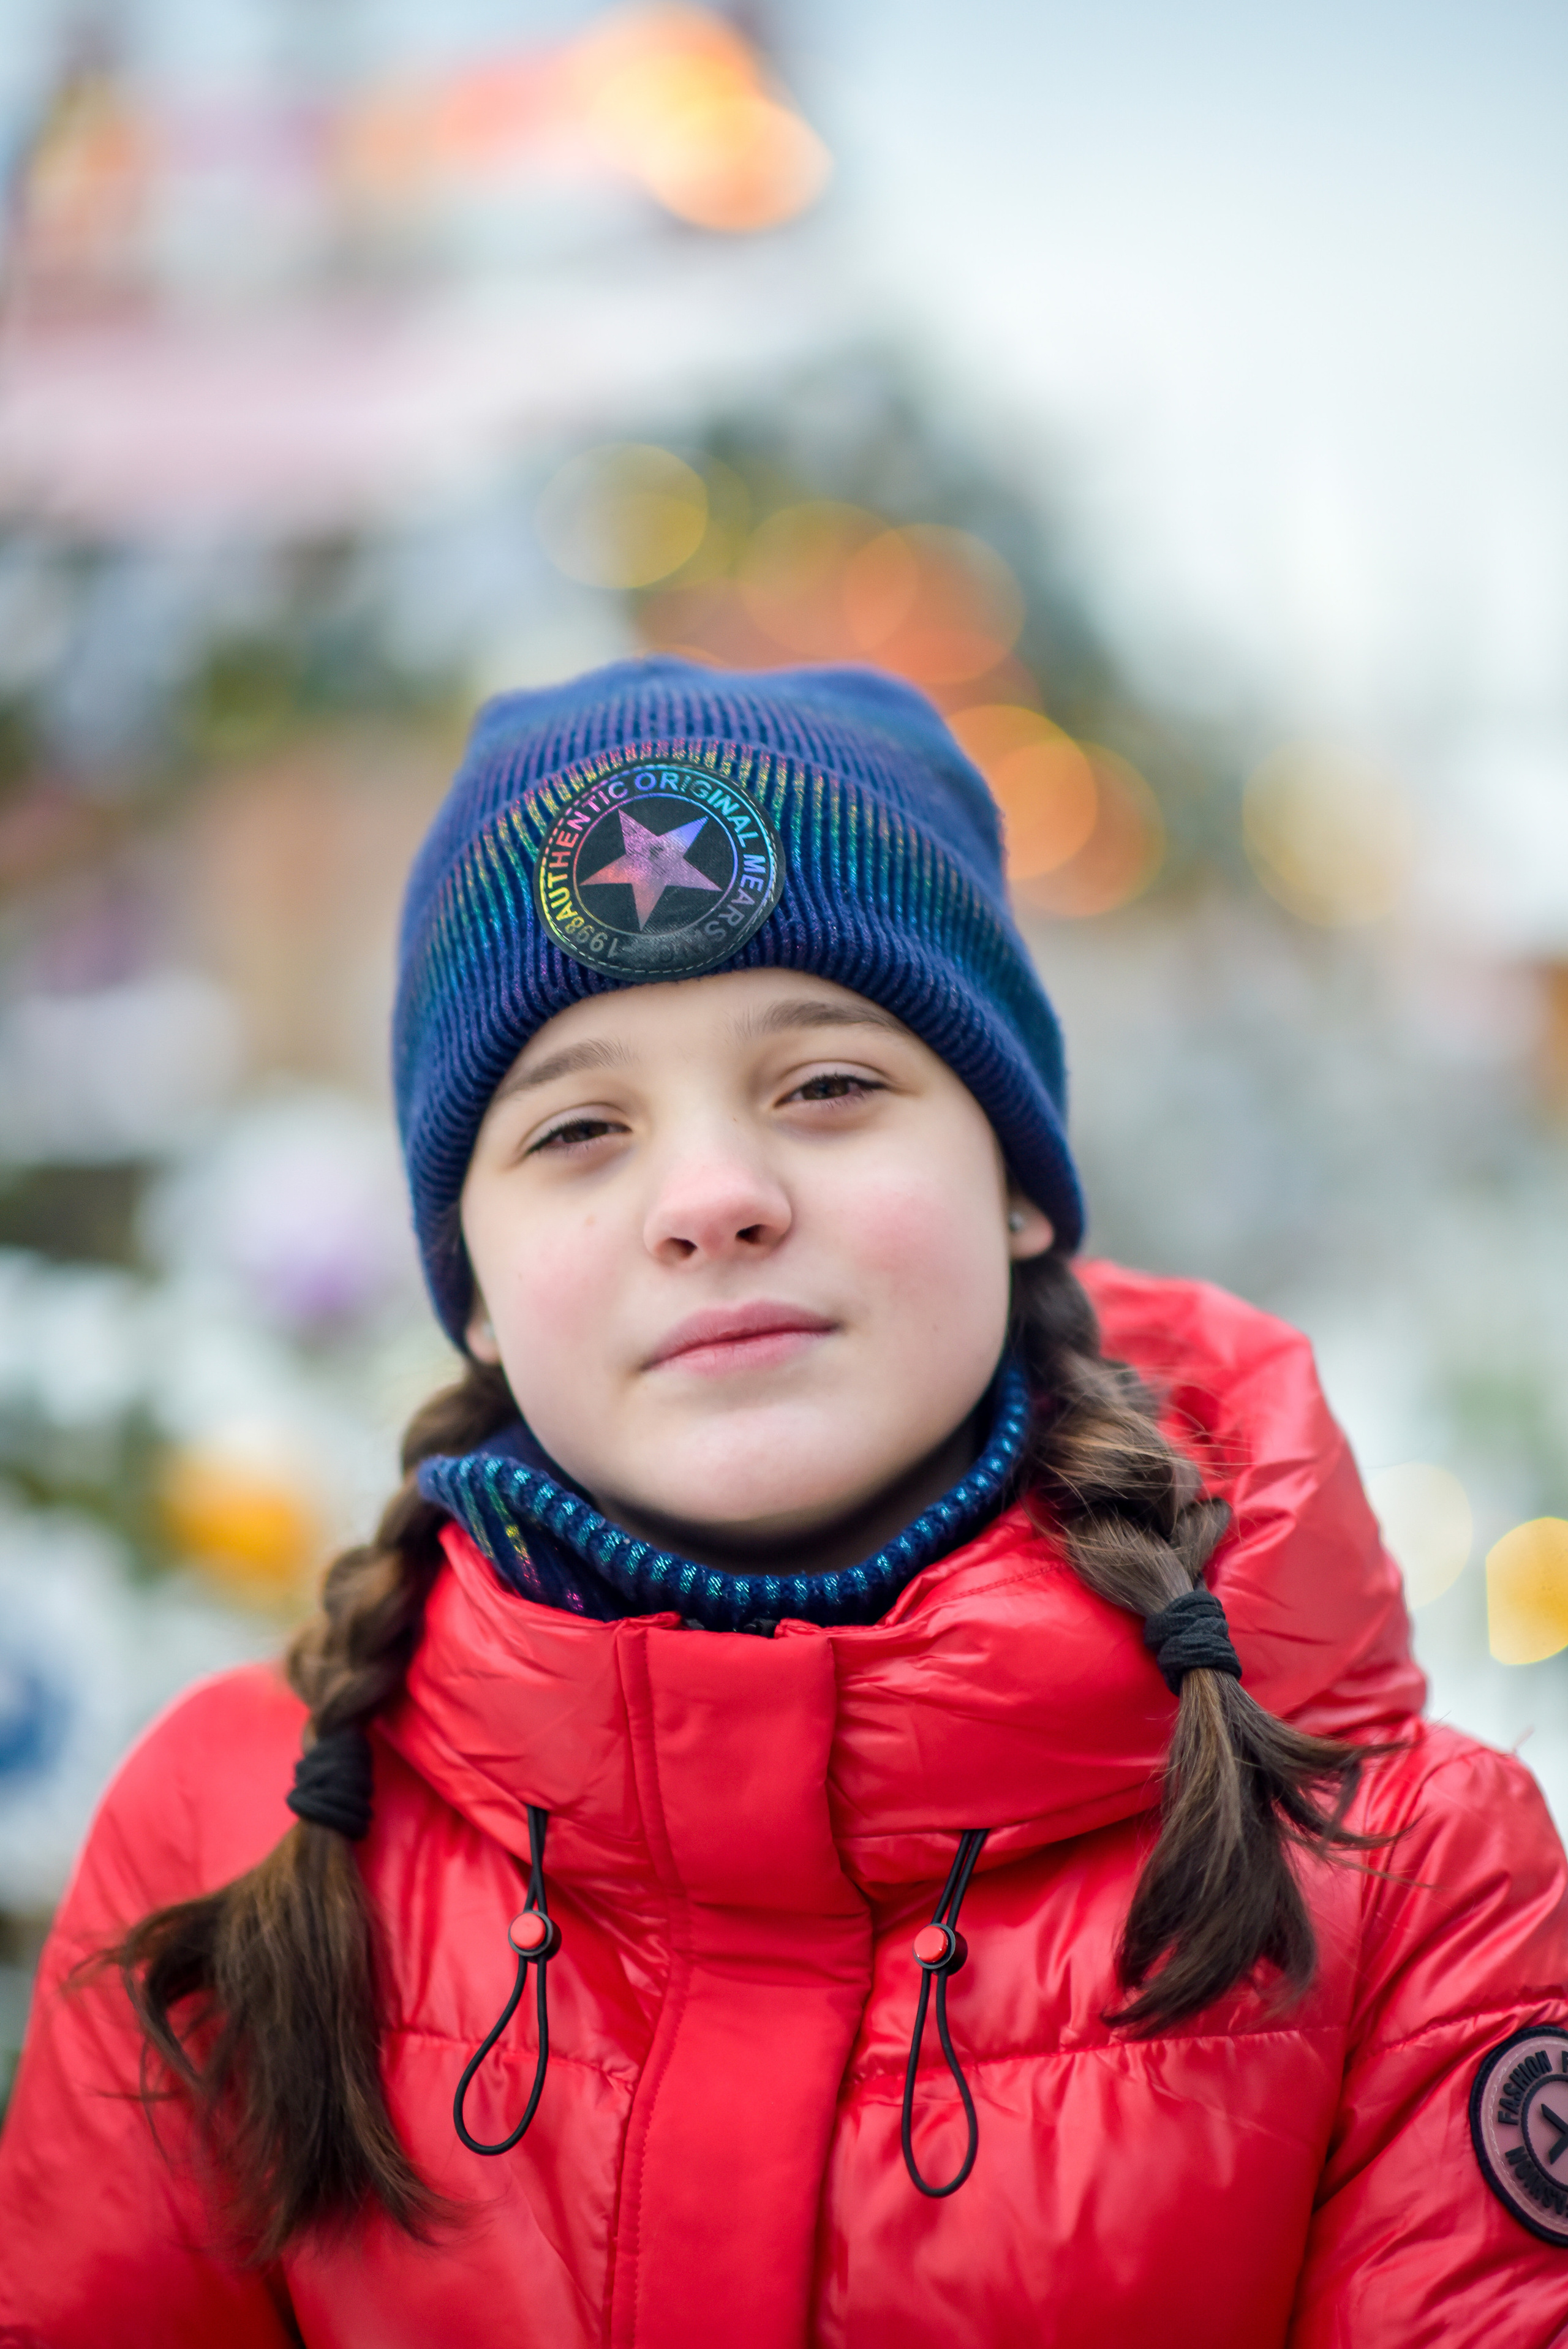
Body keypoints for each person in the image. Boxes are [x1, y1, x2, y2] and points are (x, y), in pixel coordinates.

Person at [2, 658, 1567, 2349]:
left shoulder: (1413, 1878)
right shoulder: (230, 1837)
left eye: (827, 1086)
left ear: (1015, 1185)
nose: (715, 1198)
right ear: (475, 1291)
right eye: (580, 1126)